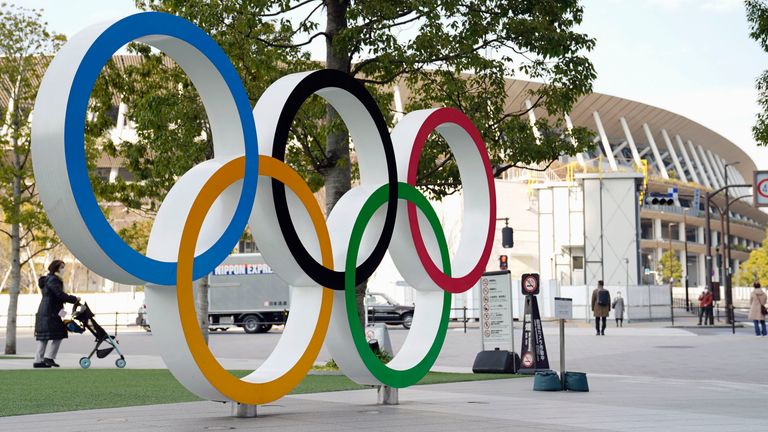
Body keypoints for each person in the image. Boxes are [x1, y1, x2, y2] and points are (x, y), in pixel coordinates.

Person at [33, 260, 79, 368]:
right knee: (52, 335)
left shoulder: (50, 279)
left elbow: (57, 295)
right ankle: (44, 359)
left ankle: (41, 360)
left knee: (47, 336)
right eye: (62, 267)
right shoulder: (53, 280)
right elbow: (59, 294)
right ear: (56, 268)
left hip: (48, 311)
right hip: (50, 312)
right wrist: (74, 299)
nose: (64, 269)